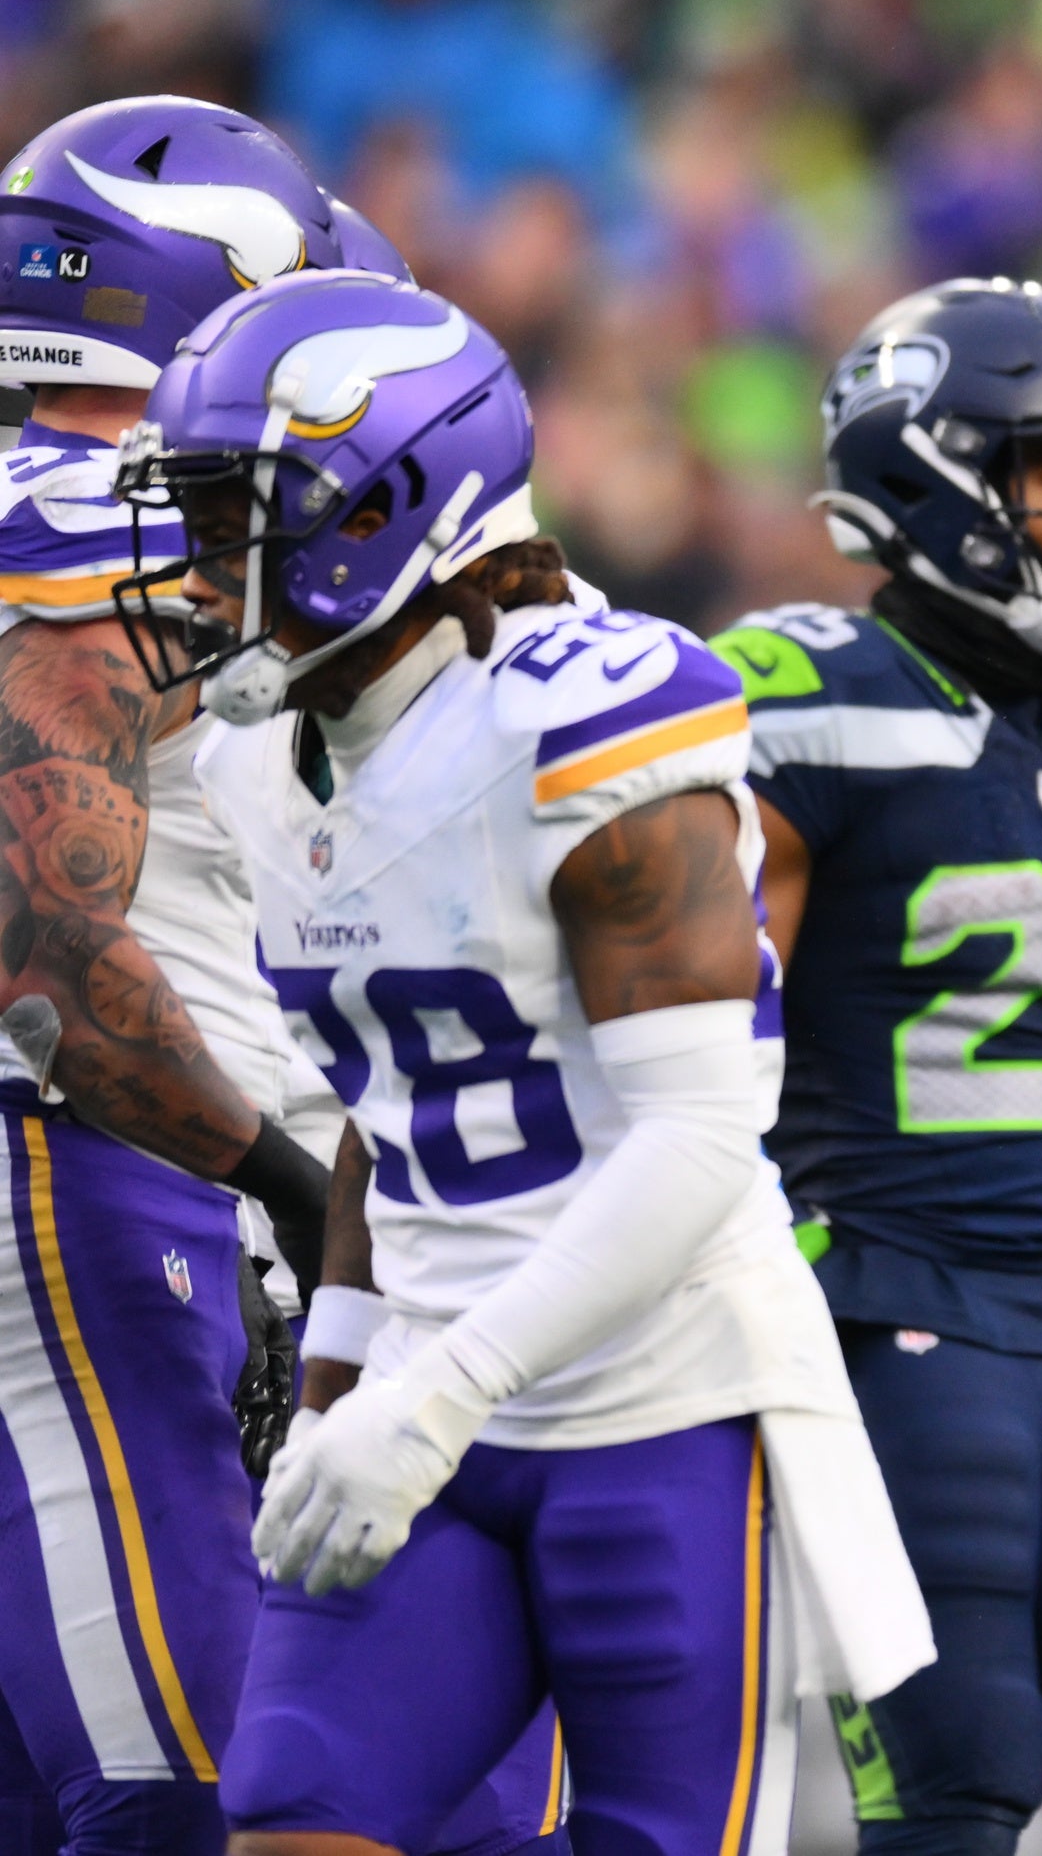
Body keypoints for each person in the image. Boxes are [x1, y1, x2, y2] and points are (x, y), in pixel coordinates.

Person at [114, 266, 928, 1851]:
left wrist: (441, 1392)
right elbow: (387, 1110)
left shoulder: (585, 718)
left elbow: (700, 1140)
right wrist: (343, 1385)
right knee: (296, 1809)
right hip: (432, 1395)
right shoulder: (257, 755)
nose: (198, 573)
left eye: (230, 521)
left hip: (662, 1408)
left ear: (373, 508)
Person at [0, 93, 563, 1856]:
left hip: (189, 1180)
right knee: (212, 1783)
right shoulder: (98, 520)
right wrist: (288, 1179)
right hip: (113, 1177)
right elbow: (36, 935)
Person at [712, 276, 1042, 1855]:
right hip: (890, 1318)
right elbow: (688, 1063)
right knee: (954, 1787)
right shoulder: (805, 705)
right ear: (938, 479)